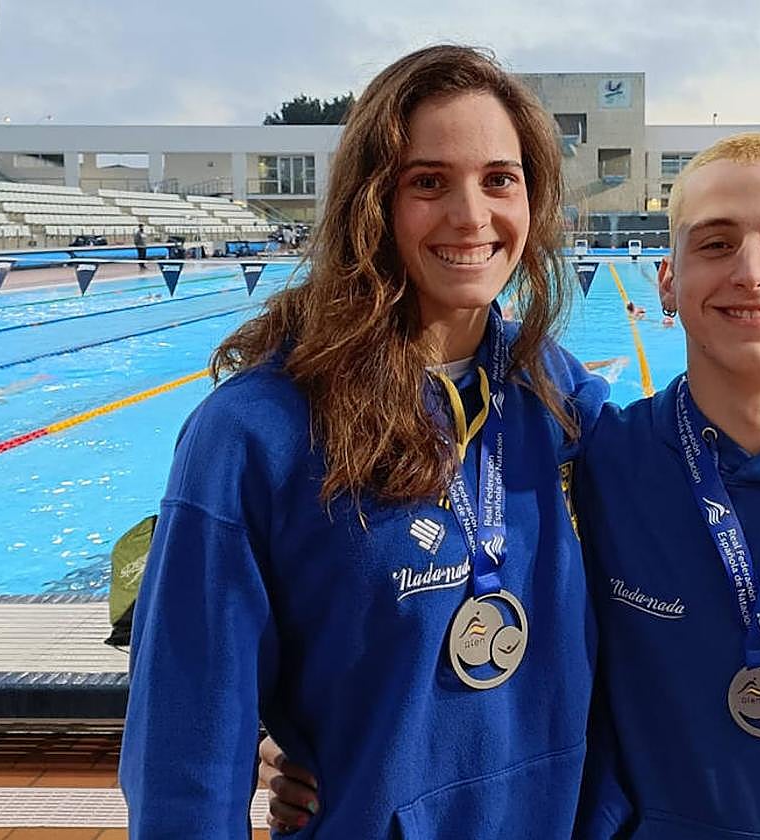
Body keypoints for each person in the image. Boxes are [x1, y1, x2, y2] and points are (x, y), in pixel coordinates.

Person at [263, 133, 760, 839]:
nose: (750, 271)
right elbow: (443, 596)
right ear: (667, 281)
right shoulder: (598, 466)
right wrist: (317, 739)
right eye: (715, 243)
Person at [119, 45, 608, 838]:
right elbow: (185, 749)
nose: (471, 216)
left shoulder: (553, 391)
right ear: (372, 201)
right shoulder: (256, 432)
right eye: (428, 182)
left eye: (499, 179)